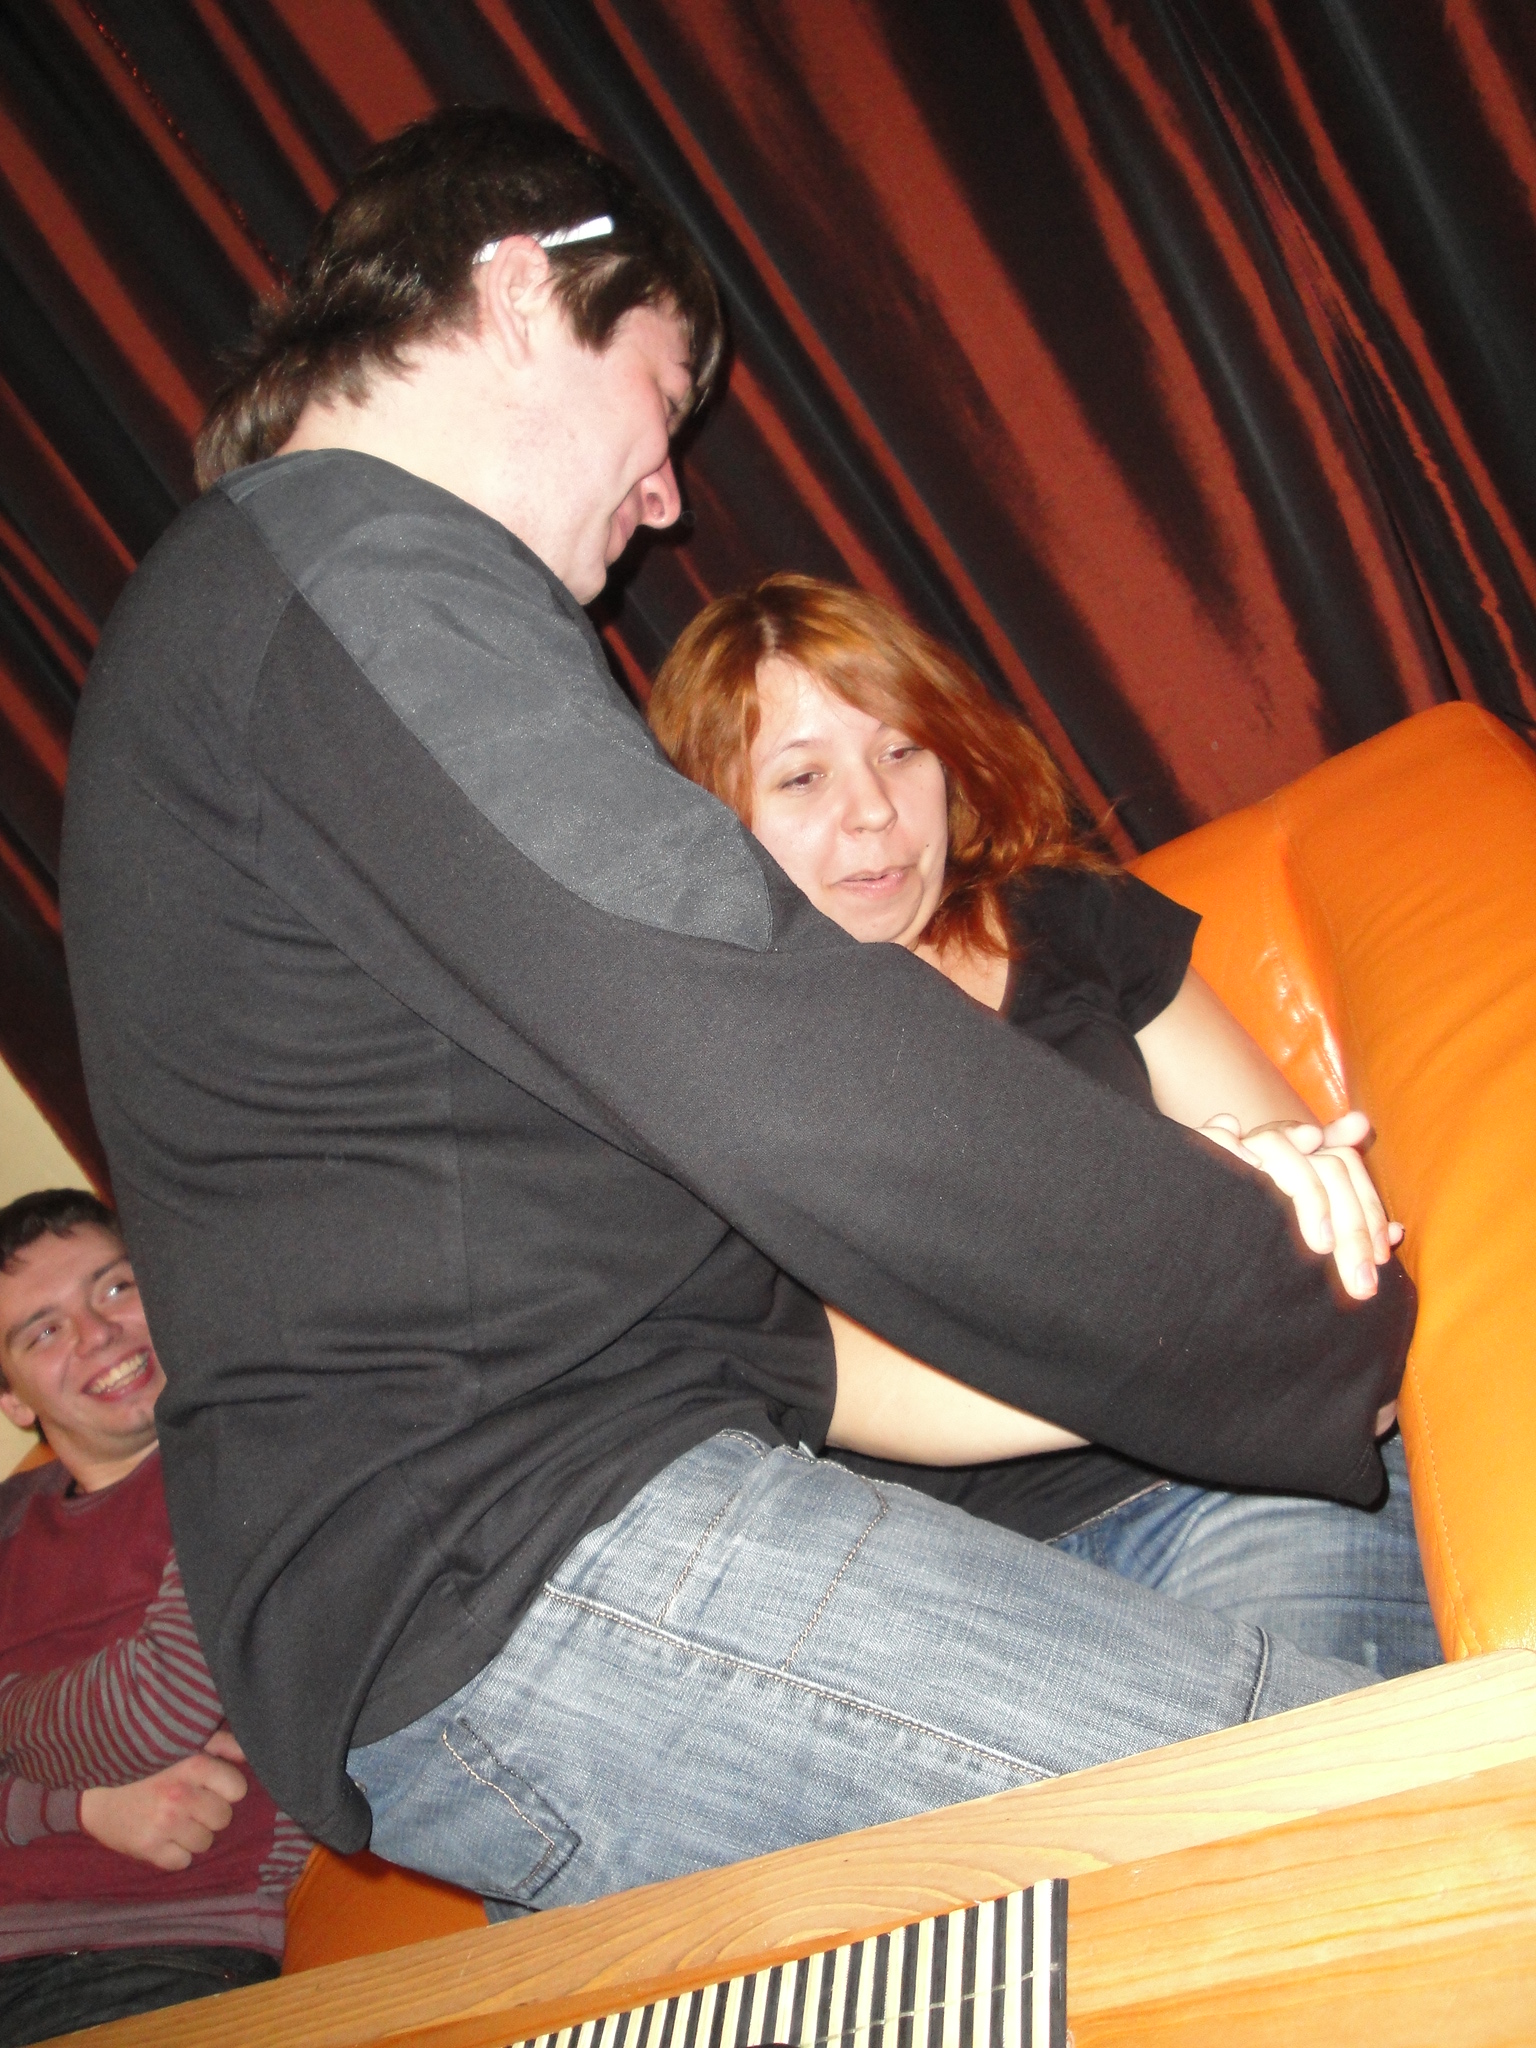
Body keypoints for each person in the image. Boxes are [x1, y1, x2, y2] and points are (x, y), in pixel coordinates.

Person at [60, 107, 1415, 1920]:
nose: (668, 497)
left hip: (510, 1551)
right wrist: (1307, 1310)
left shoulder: (286, 619)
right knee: (1390, 1841)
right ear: (521, 291)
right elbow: (776, 1050)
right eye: (663, 391)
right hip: (527, 1546)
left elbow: (779, 1343)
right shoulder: (354, 566)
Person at [648, 574, 1439, 1677]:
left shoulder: (1070, 919)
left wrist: (1269, 1248)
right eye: (803, 776)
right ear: (707, 820)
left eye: (901, 750)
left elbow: (1322, 1250)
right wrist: (1203, 1326)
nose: (873, 810)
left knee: (1300, 1773)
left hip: (1229, 1484)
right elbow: (821, 1374)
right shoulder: (696, 1072)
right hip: (968, 1582)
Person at [0, 1191, 309, 2047]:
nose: (98, 1335)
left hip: (154, 1958)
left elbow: (156, 1708)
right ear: (13, 1398)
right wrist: (84, 1810)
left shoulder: (246, 1461)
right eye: (44, 1332)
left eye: (115, 1288)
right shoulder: (8, 1521)